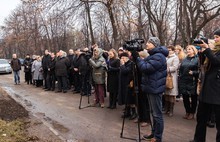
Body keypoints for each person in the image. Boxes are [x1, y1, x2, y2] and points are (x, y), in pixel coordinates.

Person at [134, 37, 168, 142]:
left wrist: (138, 58)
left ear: (155, 44)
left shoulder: (159, 56)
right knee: (153, 113)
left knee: (157, 114)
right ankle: (154, 134)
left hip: (155, 88)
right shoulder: (153, 55)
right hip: (151, 87)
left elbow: (146, 68)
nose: (147, 44)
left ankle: (157, 137)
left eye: (149, 42)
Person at [190, 29, 220, 142]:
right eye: (215, 37)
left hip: (217, 90)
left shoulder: (214, 51)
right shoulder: (214, 50)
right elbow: (204, 65)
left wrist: (207, 49)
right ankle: (198, 139)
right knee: (201, 118)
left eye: (217, 37)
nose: (215, 39)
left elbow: (217, 61)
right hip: (207, 88)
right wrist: (202, 52)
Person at [179, 45, 199, 120]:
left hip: (192, 81)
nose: (188, 50)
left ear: (194, 50)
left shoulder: (197, 59)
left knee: (193, 97)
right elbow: (181, 68)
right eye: (187, 49)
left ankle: (192, 112)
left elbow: (200, 70)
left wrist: (194, 72)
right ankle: (187, 111)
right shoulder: (185, 59)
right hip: (184, 80)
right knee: (185, 97)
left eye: (190, 49)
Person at [164, 45, 180, 117]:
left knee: (171, 95)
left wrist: (165, 69)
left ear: (173, 50)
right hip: (165, 77)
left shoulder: (175, 58)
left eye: (170, 50)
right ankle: (166, 109)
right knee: (166, 94)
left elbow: (174, 67)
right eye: (168, 50)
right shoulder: (166, 57)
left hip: (172, 78)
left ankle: (171, 110)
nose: (169, 51)